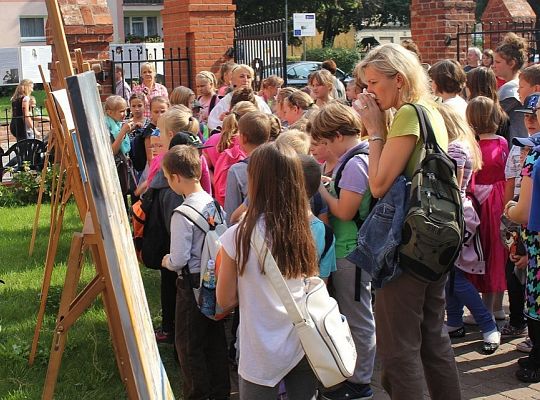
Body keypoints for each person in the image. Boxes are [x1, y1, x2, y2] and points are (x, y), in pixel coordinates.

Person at [354, 43, 461, 399]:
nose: (369, 92)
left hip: (407, 245)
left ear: (398, 79)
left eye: (374, 84)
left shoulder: (407, 115)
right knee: (433, 338)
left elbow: (379, 183)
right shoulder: (431, 111)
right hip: (435, 241)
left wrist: (374, 130)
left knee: (399, 350)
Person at [217, 142, 319, 400]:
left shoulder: (237, 236)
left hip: (259, 348)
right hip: (303, 341)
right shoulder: (305, 229)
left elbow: (225, 299)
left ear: (255, 182)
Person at [309, 101, 376, 400]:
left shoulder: (355, 163)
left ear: (337, 136)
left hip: (353, 253)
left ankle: (360, 381)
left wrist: (320, 189)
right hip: (346, 251)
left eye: (323, 141)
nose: (321, 147)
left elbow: (346, 211)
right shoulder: (354, 160)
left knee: (358, 317)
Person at [161, 145, 230, 400]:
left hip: (191, 288)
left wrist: (166, 260)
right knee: (214, 342)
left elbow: (179, 259)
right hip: (215, 283)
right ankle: (220, 391)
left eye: (168, 178)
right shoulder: (214, 205)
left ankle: (197, 394)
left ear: (176, 177)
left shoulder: (182, 213)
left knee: (189, 346)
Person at [437, 104, 501, 353]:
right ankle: (455, 321)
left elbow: (452, 187)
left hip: (454, 214)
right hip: (455, 212)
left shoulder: (454, 148)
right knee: (450, 274)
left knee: (455, 275)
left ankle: (488, 325)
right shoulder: (461, 145)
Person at [504, 108, 540, 382]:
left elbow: (523, 212)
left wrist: (510, 207)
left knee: (537, 303)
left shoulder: (536, 158)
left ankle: (537, 361)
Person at [466, 96, 509, 322]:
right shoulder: (502, 141)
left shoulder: (472, 146)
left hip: (481, 202)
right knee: (498, 252)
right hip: (501, 198)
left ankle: (484, 310)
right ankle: (498, 307)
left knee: (482, 252)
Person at [224, 111, 271, 225]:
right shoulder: (280, 161)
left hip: (249, 232)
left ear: (243, 138)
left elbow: (231, 215)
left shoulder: (236, 170)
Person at [208, 64, 272, 130]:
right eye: (242, 76)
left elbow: (268, 120)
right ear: (232, 80)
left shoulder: (258, 101)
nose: (246, 79)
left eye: (249, 77)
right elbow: (213, 123)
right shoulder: (226, 101)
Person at [104, 95, 141, 208]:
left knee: (133, 190)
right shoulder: (106, 127)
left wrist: (131, 129)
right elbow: (112, 151)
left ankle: (134, 217)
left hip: (124, 163)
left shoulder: (117, 123)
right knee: (122, 195)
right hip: (116, 167)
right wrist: (123, 131)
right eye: (121, 111)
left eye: (126, 110)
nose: (125, 114)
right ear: (110, 112)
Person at [492, 33, 529, 141]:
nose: (494, 65)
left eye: (498, 62)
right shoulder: (518, 85)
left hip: (514, 144)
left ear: (512, 63)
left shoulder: (509, 89)